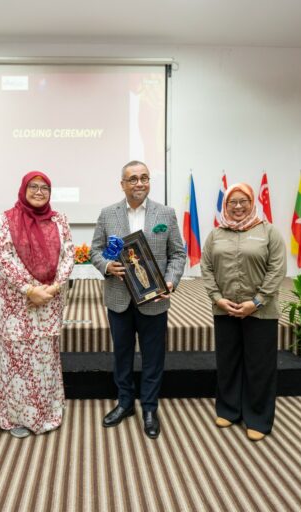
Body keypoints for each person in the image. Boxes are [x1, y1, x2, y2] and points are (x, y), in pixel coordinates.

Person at [90, 160, 186, 439]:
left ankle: (149, 408)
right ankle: (124, 403)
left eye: (144, 177)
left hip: (154, 298)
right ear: (122, 184)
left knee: (153, 357)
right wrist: (107, 266)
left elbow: (178, 253)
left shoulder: (165, 214)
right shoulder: (108, 214)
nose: (139, 183)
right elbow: (95, 250)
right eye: (133, 179)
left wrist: (170, 280)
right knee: (122, 355)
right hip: (119, 298)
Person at [200, 183, 287, 442]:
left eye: (243, 201)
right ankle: (229, 410)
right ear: (225, 205)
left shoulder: (269, 232)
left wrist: (257, 301)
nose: (238, 206)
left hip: (260, 311)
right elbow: (206, 268)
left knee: (259, 365)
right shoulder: (216, 234)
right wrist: (218, 299)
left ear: (252, 202)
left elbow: (277, 270)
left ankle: (258, 418)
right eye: (232, 202)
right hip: (224, 308)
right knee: (228, 362)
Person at [0, 171, 75, 438]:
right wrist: (29, 289)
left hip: (49, 300)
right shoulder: (6, 218)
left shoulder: (59, 220)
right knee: (16, 360)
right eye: (33, 186)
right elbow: (2, 256)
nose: (39, 192)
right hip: (17, 303)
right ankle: (16, 417)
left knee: (44, 357)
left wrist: (54, 287)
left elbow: (69, 254)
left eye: (44, 188)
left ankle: (47, 414)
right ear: (23, 189)